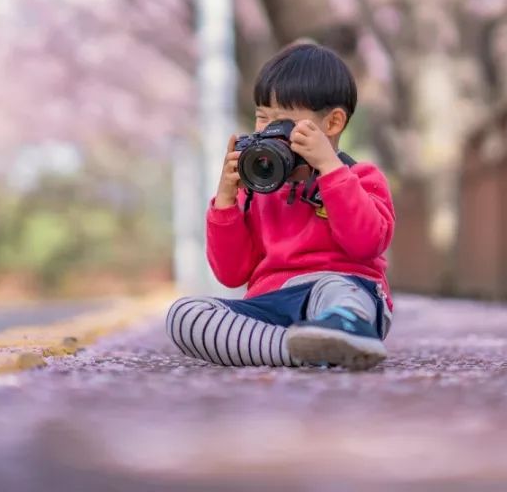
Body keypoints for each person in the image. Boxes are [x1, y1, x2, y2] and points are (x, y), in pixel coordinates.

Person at [165, 42, 395, 370]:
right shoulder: (257, 190)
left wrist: (330, 171)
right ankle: (307, 350)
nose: (270, 131)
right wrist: (226, 201)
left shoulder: (360, 178)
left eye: (283, 122)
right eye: (262, 118)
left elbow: (365, 243)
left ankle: (340, 332)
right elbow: (231, 275)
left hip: (341, 293)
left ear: (332, 123)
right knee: (185, 315)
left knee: (336, 290)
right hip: (270, 308)